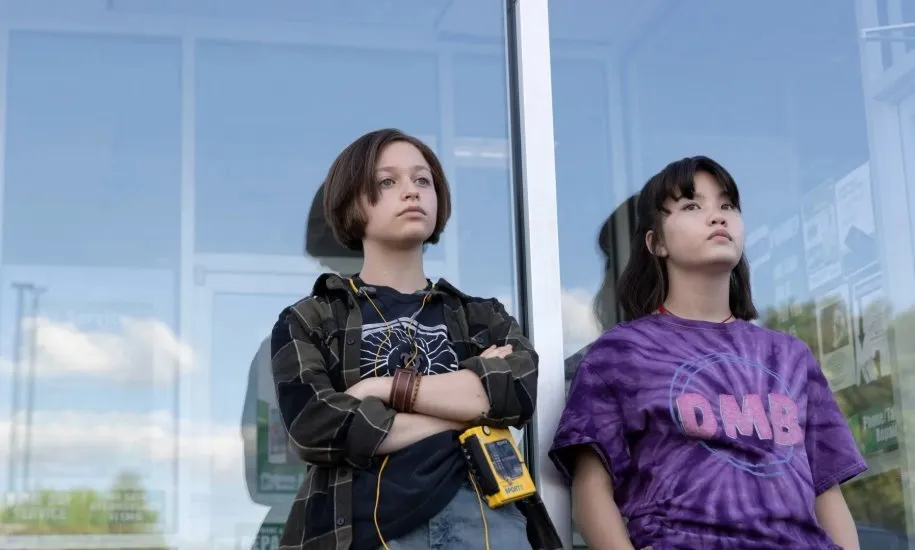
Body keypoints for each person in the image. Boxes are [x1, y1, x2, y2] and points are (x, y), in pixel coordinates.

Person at [549, 156, 866, 550]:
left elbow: (827, 490)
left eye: (727, 205)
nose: (718, 217)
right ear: (656, 242)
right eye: (692, 206)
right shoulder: (621, 353)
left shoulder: (791, 356)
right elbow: (591, 489)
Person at [270, 128, 537, 550]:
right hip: (366, 532)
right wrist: (467, 410)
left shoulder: (481, 316)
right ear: (351, 203)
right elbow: (315, 426)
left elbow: (517, 391)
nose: (411, 191)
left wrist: (381, 389)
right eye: (387, 181)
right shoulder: (312, 318)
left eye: (422, 180)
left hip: (484, 524)